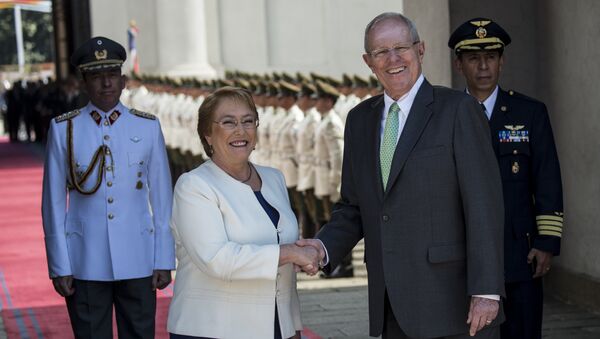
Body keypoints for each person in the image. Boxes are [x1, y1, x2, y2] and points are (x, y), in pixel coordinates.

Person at [297, 12, 506, 338]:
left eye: (401, 48)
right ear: (369, 61)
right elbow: (353, 207)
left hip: (454, 304)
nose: (393, 59)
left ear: (420, 50)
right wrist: (322, 248)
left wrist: (487, 290)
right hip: (391, 302)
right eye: (381, 52)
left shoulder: (457, 111)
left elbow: (483, 206)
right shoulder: (359, 120)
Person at [41, 36, 175, 338]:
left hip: (139, 256)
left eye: (112, 75)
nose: (105, 83)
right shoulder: (64, 129)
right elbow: (51, 203)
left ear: (124, 80)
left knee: (140, 334)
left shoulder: (147, 126)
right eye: (96, 77)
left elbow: (162, 196)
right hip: (85, 259)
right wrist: (59, 264)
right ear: (84, 82)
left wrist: (164, 258)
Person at [167, 87, 317, 339]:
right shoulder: (194, 186)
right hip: (214, 329)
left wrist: (291, 326)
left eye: (248, 121)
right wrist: (290, 253)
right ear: (207, 134)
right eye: (228, 122)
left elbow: (283, 250)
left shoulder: (274, 178)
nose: (240, 130)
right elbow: (217, 259)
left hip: (276, 327)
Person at [449, 18, 563, 339]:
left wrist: (546, 242)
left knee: (523, 332)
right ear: (459, 64)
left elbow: (547, 179)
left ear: (502, 61)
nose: (483, 66)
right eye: (473, 58)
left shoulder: (529, 112)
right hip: (465, 255)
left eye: (491, 57)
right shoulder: (445, 114)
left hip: (520, 252)